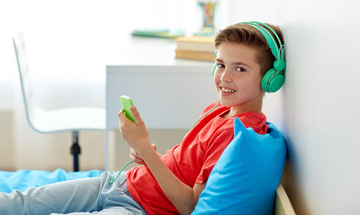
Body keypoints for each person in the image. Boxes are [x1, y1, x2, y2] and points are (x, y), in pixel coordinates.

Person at [0, 21, 285, 215]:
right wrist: (147, 154)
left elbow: (188, 206)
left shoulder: (237, 134)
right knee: (20, 202)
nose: (224, 77)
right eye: (221, 64)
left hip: (139, 209)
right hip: (119, 182)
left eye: (240, 69)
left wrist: (148, 152)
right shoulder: (218, 109)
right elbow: (185, 165)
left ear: (270, 79)